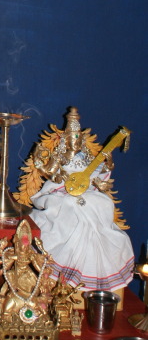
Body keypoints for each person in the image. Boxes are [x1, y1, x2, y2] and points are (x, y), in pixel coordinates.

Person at [28, 108, 134, 291]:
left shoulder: (88, 158)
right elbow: (50, 174)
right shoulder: (59, 157)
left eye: (77, 138)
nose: (75, 141)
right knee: (68, 205)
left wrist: (107, 163)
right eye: (72, 138)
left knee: (102, 204)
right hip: (61, 196)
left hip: (88, 194)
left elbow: (100, 173)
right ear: (66, 139)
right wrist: (40, 163)